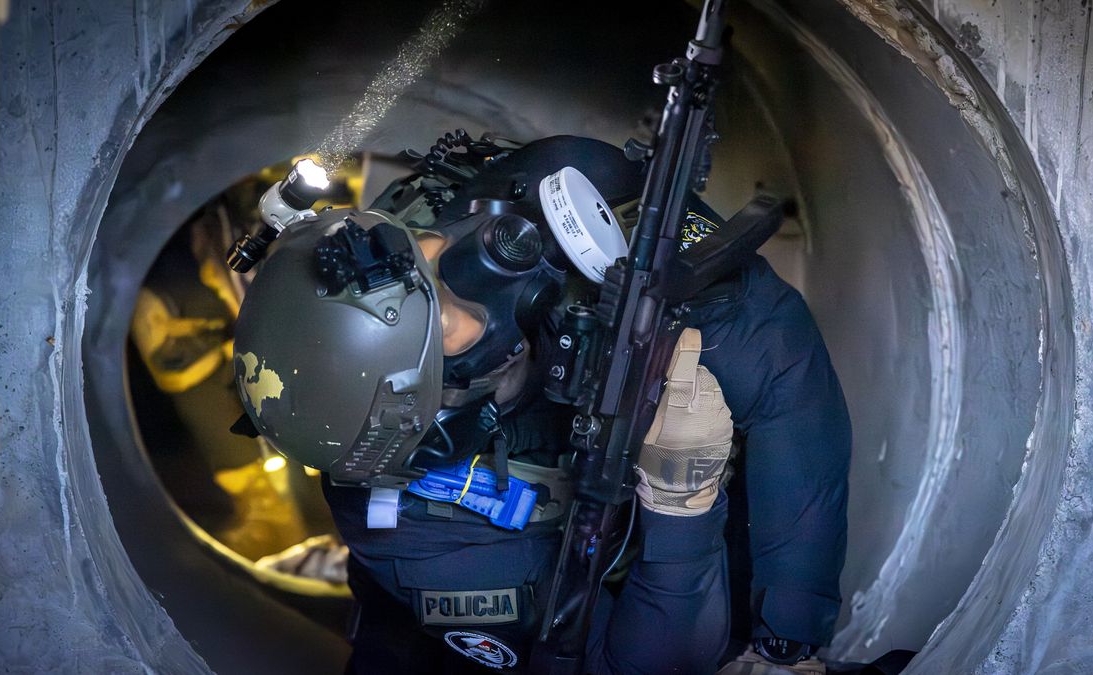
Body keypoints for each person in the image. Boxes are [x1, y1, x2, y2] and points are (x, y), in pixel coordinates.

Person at [231, 134, 851, 674]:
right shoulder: (433, 544)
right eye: (450, 316)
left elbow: (778, 351)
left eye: (430, 250)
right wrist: (679, 502)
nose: (480, 263)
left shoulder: (478, 208)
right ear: (444, 406)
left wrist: (789, 634)